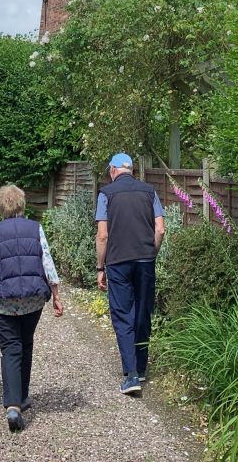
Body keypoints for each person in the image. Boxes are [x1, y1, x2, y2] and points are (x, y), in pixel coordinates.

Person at [0, 184, 64, 433]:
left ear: (0, 207)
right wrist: (56, 295)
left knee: (10, 349)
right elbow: (47, 262)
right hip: (32, 300)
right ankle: (22, 396)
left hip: (3, 302)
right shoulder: (35, 228)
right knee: (26, 343)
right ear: (22, 205)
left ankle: (13, 405)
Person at [95, 153, 165, 396]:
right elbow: (160, 230)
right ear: (132, 170)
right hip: (145, 260)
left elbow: (102, 235)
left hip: (118, 261)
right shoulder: (150, 191)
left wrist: (100, 267)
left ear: (113, 170)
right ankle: (142, 367)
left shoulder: (106, 194)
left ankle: (131, 374)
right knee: (143, 311)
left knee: (124, 314)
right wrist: (151, 252)